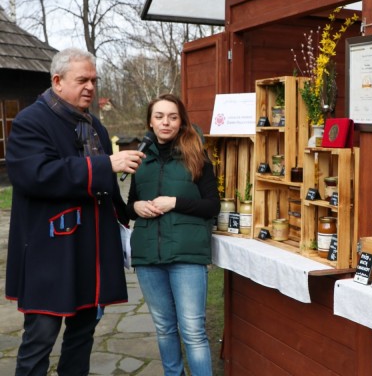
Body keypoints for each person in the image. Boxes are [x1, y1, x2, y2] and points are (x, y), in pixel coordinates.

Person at [5, 47, 146, 375]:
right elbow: (35, 175)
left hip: (90, 251)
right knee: (40, 338)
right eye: (82, 80)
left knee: (83, 334)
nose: (90, 87)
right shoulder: (30, 121)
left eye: (94, 80)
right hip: (49, 253)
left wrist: (127, 211)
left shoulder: (94, 125)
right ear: (57, 81)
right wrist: (106, 164)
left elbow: (105, 185)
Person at [126, 93, 220, 375]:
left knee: (192, 330)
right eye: (159, 116)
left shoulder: (196, 155)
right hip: (148, 257)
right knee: (165, 328)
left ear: (181, 122)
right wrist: (137, 206)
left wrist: (175, 203)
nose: (165, 122)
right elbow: (130, 205)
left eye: (172, 117)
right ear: (150, 122)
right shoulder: (140, 159)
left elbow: (212, 206)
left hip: (186, 256)